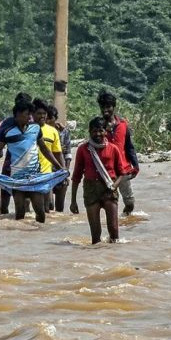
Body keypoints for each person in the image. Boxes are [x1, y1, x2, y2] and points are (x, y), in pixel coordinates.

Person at [0, 99, 65, 224]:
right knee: (20, 212)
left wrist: (60, 166)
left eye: (30, 114)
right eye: (26, 114)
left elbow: (44, 149)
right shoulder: (7, 133)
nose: (29, 117)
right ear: (17, 115)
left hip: (35, 177)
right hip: (17, 179)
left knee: (40, 211)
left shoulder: (35, 129)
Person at [70, 116, 128, 244]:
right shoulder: (83, 150)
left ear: (105, 131)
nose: (98, 134)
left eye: (100, 130)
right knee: (95, 235)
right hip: (91, 190)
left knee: (114, 231)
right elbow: (76, 177)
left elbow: (122, 173)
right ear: (89, 131)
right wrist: (73, 201)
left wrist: (115, 185)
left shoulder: (113, 149)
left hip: (109, 189)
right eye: (94, 131)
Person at [98, 90, 140, 215]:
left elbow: (129, 146)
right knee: (110, 202)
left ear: (113, 107)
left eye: (108, 106)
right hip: (105, 171)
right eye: (103, 107)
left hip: (124, 169)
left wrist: (136, 165)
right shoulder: (98, 126)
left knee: (130, 203)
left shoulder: (122, 124)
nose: (106, 110)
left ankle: (125, 219)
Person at [32, 100, 67, 213]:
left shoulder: (52, 131)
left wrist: (63, 171)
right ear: (32, 114)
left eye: (44, 113)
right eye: (39, 113)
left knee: (47, 208)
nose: (42, 116)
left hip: (47, 174)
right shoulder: (27, 129)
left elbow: (58, 153)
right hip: (30, 174)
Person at [48, 105, 72, 212]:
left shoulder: (63, 132)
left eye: (50, 118)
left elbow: (67, 154)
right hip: (46, 172)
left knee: (59, 209)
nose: (48, 121)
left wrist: (65, 172)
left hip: (60, 171)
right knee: (49, 205)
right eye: (46, 118)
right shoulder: (40, 131)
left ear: (55, 118)